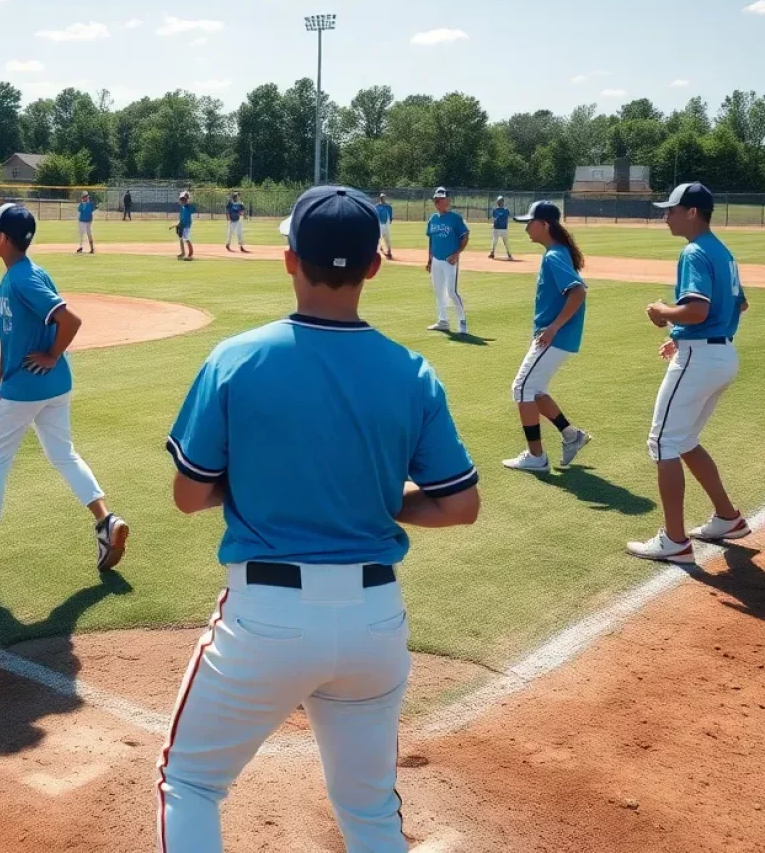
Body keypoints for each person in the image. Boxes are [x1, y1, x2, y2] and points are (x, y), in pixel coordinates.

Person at [158, 184, 480, 853]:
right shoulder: (412, 371)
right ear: (372, 265)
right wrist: (379, 499)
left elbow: (189, 495)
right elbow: (460, 504)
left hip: (266, 619)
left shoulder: (236, 358)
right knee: (369, 814)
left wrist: (253, 483)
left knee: (190, 783)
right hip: (374, 625)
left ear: (289, 260)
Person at [0, 203, 129, 579]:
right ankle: (105, 520)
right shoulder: (25, 274)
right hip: (53, 386)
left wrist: (50, 354)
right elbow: (7, 344)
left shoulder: (20, 280)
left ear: (3, 238)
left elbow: (70, 319)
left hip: (25, 388)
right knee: (63, 454)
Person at [627, 183, 751, 565]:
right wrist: (681, 337)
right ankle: (727, 518)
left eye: (671, 210)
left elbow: (696, 310)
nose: (666, 216)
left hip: (700, 359)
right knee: (684, 440)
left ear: (692, 212)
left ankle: (675, 541)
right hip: (720, 354)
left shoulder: (695, 251)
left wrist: (663, 312)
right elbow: (740, 304)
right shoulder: (722, 251)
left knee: (662, 442)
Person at [501, 201, 591, 473]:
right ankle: (571, 435)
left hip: (556, 337)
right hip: (557, 337)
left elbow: (578, 292)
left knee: (521, 388)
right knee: (535, 390)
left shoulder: (554, 256)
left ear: (545, 225)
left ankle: (536, 457)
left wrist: (553, 327)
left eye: (530, 222)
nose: (526, 227)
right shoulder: (557, 252)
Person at [425, 186, 469, 334]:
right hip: (436, 260)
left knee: (451, 292)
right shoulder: (433, 219)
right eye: (435, 200)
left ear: (447, 201)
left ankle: (462, 322)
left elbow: (464, 236)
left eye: (440, 200)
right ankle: (442, 321)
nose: (437, 202)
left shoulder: (455, 218)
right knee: (438, 291)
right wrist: (429, 260)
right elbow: (431, 240)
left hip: (450, 260)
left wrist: (457, 254)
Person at [489, 196, 513, 260]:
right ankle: (493, 253)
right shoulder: (502, 210)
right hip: (498, 229)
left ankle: (509, 254)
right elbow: (495, 219)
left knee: (501, 241)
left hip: (502, 229)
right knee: (495, 241)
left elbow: (496, 218)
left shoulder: (503, 210)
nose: (499, 202)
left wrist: (494, 224)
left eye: (500, 201)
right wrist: (493, 225)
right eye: (499, 201)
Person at [176, 191, 194, 261]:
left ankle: (190, 254)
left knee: (186, 239)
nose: (179, 200)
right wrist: (179, 223)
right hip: (182, 225)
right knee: (181, 239)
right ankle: (183, 253)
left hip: (186, 226)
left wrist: (181, 224)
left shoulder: (187, 207)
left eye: (181, 199)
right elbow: (182, 217)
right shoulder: (183, 208)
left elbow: (186, 219)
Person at [376, 192, 394, 259]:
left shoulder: (388, 207)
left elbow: (391, 215)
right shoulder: (377, 206)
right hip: (379, 224)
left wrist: (390, 221)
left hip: (386, 224)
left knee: (387, 238)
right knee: (379, 237)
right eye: (382, 197)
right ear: (380, 198)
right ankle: (378, 252)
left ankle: (389, 252)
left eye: (384, 197)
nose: (383, 198)